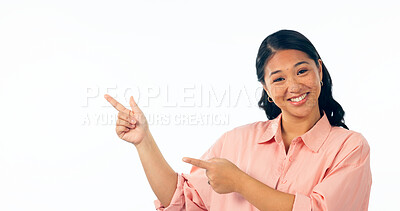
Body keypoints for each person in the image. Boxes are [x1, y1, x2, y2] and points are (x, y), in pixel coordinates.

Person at [104, 29, 372, 211]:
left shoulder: (349, 147)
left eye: (302, 71)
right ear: (266, 88)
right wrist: (143, 141)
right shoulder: (237, 141)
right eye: (278, 78)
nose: (293, 86)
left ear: (319, 70)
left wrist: (240, 182)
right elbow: (184, 202)